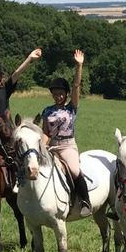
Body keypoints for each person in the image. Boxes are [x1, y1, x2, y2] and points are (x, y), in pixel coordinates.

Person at [41, 49, 91, 217]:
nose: (58, 96)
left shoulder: (71, 108)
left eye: (61, 93)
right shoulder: (47, 111)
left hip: (67, 146)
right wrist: (42, 146)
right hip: (52, 146)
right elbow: (46, 132)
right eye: (55, 94)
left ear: (66, 94)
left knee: (75, 171)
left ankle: (85, 201)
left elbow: (77, 86)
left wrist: (79, 66)